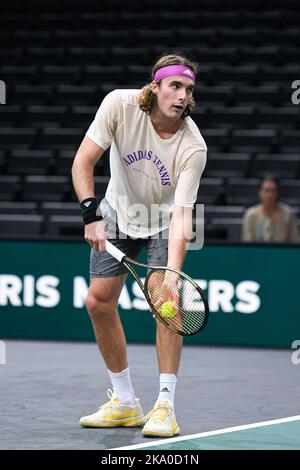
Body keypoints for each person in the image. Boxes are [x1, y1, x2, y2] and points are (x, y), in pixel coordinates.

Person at [71, 53, 207, 437]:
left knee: (168, 305)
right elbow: (83, 161)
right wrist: (90, 215)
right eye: (175, 86)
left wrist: (172, 275)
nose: (182, 96)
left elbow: (183, 216)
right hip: (116, 211)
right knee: (98, 302)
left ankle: (165, 405)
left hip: (164, 222)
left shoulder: (193, 147)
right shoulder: (120, 104)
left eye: (189, 89)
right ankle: (126, 402)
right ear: (155, 87)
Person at [242, 176, 299, 242]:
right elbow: (247, 244)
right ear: (260, 192)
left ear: (278, 193)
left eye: (273, 190)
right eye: (267, 190)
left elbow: (296, 241)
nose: (270, 194)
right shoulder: (250, 215)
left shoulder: (288, 214)